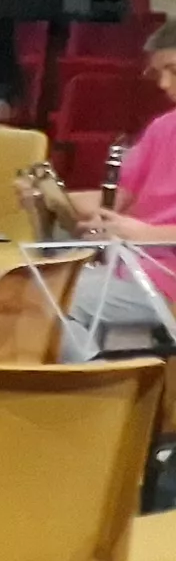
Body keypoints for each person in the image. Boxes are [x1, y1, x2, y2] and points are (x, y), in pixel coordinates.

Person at [65, 23, 176, 358]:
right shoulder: (164, 127)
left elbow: (139, 227)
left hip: (165, 276)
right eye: (158, 73)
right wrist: (54, 197)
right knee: (28, 283)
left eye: (173, 71)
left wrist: (145, 233)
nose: (164, 84)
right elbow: (117, 199)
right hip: (136, 266)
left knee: (45, 297)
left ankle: (101, 383)